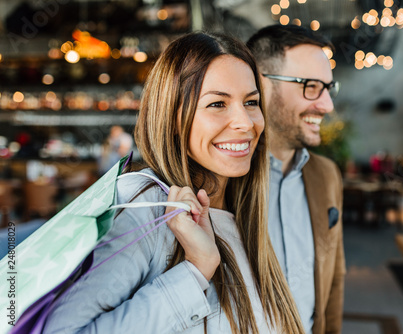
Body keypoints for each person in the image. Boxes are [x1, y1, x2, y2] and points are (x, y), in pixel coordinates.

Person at [43, 32, 304, 334]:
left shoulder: (246, 211)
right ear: (173, 118)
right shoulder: (144, 206)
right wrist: (194, 272)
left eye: (251, 102)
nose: (246, 123)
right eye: (218, 104)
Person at [247, 25, 346, 334]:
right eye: (311, 86)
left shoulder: (327, 175)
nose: (327, 105)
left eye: (328, 88)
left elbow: (335, 276)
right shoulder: (221, 180)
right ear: (261, 85)